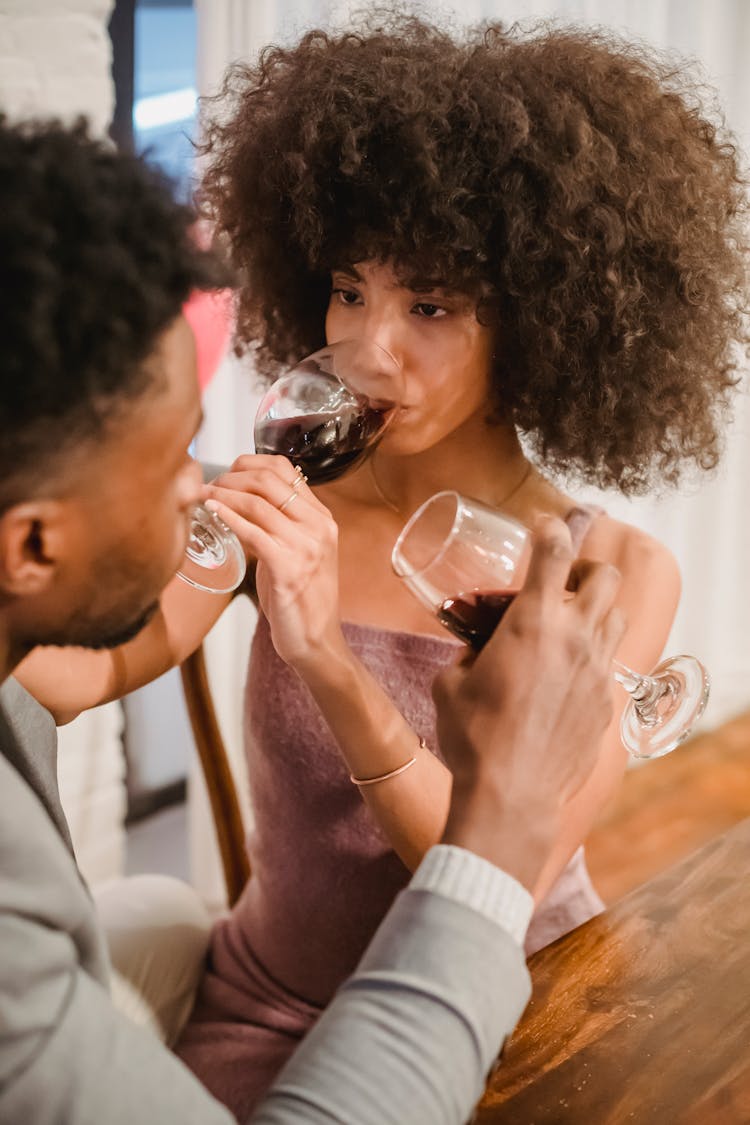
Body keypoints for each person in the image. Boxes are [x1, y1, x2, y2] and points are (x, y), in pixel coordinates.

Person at [16, 13, 749, 1119]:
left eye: (432, 306)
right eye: (349, 289)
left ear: (544, 324)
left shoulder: (609, 571)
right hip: (267, 1006)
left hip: (522, 997)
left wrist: (327, 664)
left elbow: (505, 868)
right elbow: (71, 676)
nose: (367, 347)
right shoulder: (283, 499)